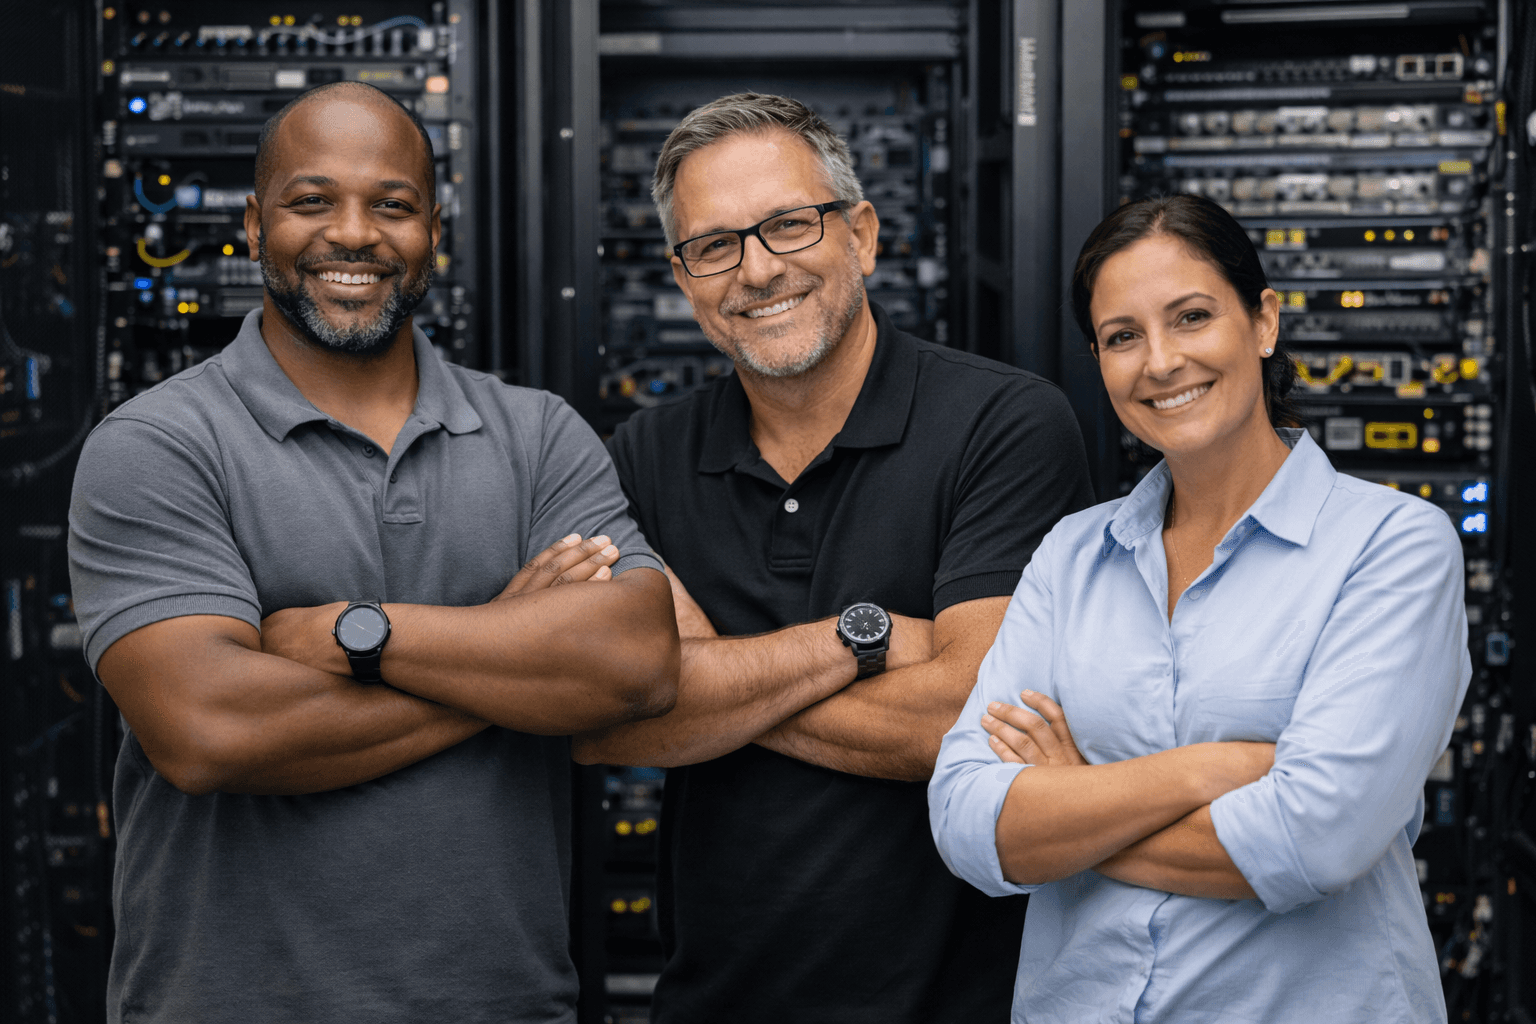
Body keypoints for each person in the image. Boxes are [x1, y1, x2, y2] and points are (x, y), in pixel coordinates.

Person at [67, 81, 679, 1024]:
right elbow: (208, 730)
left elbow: (634, 663)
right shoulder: (158, 444)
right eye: (312, 201)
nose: (353, 234)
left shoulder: (538, 435)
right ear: (254, 219)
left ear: (435, 227)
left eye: (390, 205)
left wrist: (359, 636)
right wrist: (512, 652)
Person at [573, 93, 1095, 1023]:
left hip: (960, 1006)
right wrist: (868, 639)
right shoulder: (643, 456)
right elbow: (594, 722)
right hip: (711, 1004)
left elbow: (966, 721)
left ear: (861, 234)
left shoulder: (1004, 423)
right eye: (714, 245)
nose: (756, 270)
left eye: (786, 225)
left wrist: (698, 687)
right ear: (685, 279)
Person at [929, 193, 1471, 1023]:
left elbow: (1313, 840)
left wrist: (1073, 801)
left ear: (1263, 322)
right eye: (1122, 337)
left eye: (1190, 317)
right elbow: (968, 823)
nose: (1159, 361)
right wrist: (1208, 772)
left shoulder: (1392, 546)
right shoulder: (1073, 554)